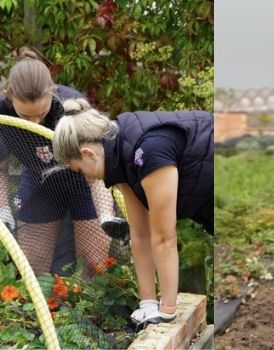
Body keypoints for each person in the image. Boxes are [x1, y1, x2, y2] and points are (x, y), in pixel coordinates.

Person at [51, 99, 214, 326]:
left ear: (87, 154)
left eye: (78, 170)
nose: (85, 178)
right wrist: (147, 304)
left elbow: (164, 238)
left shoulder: (148, 152)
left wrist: (166, 311)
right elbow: (140, 234)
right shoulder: (121, 157)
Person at [0, 47, 125, 276]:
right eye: (26, 116)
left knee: (93, 264)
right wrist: (3, 211)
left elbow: (96, 165)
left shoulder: (72, 106)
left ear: (53, 91)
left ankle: (83, 301)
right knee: (32, 264)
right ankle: (47, 299)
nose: (35, 123)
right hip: (40, 182)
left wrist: (105, 215)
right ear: (8, 94)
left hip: (84, 182)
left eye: (42, 113)